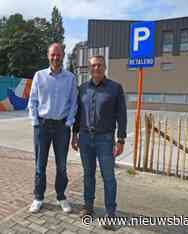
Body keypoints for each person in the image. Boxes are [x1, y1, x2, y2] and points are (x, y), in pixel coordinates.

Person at [71, 55, 127, 228]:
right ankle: (88, 207)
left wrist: (121, 140)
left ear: (105, 67)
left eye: (100, 65)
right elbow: (77, 114)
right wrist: (74, 135)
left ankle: (110, 213)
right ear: (89, 68)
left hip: (105, 139)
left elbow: (122, 115)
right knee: (88, 175)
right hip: (85, 138)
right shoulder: (82, 89)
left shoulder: (115, 88)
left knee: (108, 177)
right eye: (93, 65)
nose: (96, 68)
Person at [27, 43, 78, 213]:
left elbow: (73, 103)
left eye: (58, 54)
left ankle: (61, 196)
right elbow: (32, 101)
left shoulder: (70, 78)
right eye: (52, 55)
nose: (56, 58)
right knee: (40, 165)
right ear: (48, 56)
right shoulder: (39, 76)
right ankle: (38, 197)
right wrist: (35, 122)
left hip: (62, 127)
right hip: (42, 125)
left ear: (63, 55)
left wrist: (68, 122)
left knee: (61, 165)